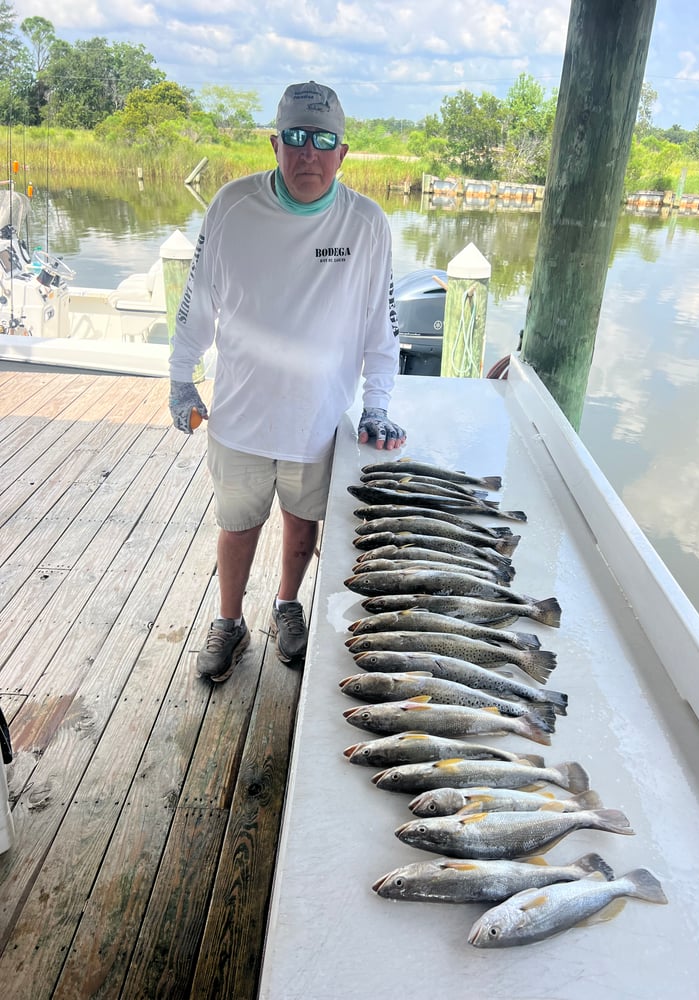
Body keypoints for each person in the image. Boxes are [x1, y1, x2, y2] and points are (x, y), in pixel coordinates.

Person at [168, 80, 406, 681]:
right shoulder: (231, 205)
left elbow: (384, 327)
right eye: (295, 139)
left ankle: (286, 606)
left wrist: (377, 406)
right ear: (275, 143)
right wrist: (181, 378)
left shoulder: (368, 223)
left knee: (303, 525)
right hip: (241, 414)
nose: (308, 154)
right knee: (236, 525)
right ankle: (229, 622)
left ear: (343, 152)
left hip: (318, 419)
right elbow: (197, 301)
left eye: (323, 141)